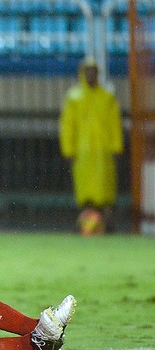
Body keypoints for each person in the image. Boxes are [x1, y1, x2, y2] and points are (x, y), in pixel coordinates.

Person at [59, 57, 124, 232]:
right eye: (87, 71)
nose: (90, 74)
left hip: (104, 151)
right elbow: (68, 126)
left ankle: (107, 225)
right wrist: (68, 149)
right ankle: (86, 225)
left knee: (106, 191)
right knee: (85, 191)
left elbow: (114, 123)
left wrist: (117, 146)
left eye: (93, 71)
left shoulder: (107, 97)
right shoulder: (74, 98)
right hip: (83, 152)